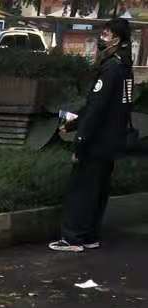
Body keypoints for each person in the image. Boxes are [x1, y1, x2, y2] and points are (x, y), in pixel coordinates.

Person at [50, 18, 134, 252]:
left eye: (106, 34)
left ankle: (72, 238)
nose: (101, 37)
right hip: (111, 140)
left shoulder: (111, 69)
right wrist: (73, 125)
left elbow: (97, 108)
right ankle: (89, 236)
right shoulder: (124, 67)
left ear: (116, 38)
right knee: (97, 191)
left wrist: (80, 140)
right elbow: (109, 107)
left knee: (82, 190)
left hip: (96, 141)